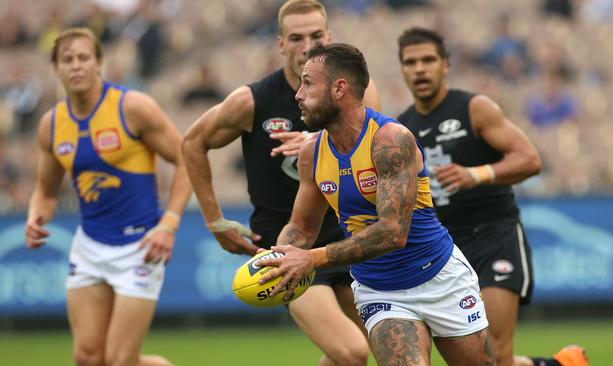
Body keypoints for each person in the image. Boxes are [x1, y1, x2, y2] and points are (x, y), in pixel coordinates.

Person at [256, 42, 495, 366]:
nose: (298, 94)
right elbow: (301, 228)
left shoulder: (390, 140)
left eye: (308, 83)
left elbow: (393, 232)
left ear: (339, 88)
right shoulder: (312, 154)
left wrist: (311, 259)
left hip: (440, 277)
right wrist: (279, 258)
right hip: (380, 291)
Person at [181, 1, 379, 365]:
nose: (308, 45)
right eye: (297, 37)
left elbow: (378, 152)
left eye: (317, 35)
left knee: (390, 351)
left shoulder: (353, 93)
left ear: (329, 37)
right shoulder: (253, 101)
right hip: (288, 246)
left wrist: (319, 145)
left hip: (346, 240)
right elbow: (193, 142)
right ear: (281, 44)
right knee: (351, 352)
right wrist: (214, 220)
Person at [395, 27, 588, 366]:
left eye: (428, 60)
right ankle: (558, 364)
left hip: (493, 234)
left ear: (446, 65)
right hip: (446, 249)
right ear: (402, 69)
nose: (420, 69)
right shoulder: (401, 129)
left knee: (495, 352)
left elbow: (530, 159)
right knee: (479, 359)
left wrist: (477, 173)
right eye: (411, 62)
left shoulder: (474, 108)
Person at [24, 28, 191, 366]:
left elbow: (188, 160)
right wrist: (35, 216)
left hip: (140, 247)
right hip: (89, 245)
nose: (76, 66)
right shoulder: (52, 125)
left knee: (119, 361)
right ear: (55, 69)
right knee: (87, 358)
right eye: (67, 59)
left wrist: (169, 224)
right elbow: (45, 191)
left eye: (84, 57)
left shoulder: (133, 107)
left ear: (99, 62)